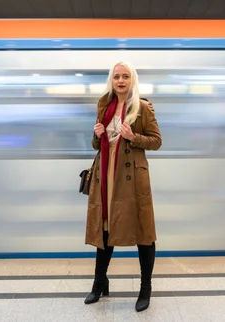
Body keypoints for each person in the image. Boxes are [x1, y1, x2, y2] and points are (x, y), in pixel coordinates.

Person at [84, 61, 162, 312]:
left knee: (143, 231)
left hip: (131, 177)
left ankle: (145, 288)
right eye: (116, 76)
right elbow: (97, 145)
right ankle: (99, 284)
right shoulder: (103, 104)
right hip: (105, 173)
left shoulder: (143, 107)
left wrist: (133, 137)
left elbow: (156, 141)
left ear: (132, 79)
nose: (120, 80)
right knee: (104, 229)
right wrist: (97, 134)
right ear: (111, 80)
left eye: (125, 76)